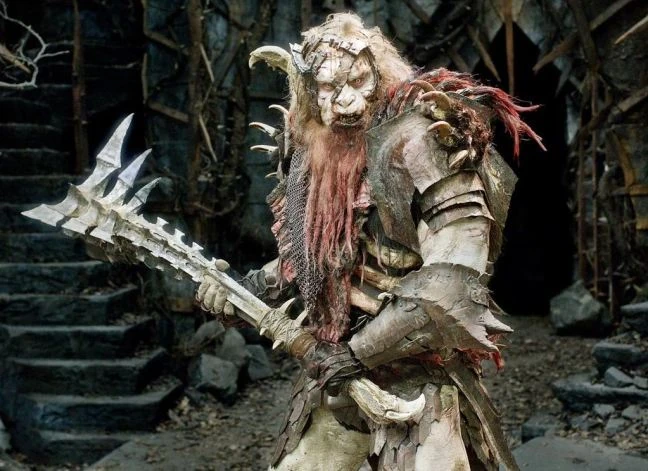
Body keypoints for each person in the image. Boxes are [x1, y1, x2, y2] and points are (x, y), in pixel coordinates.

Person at [197, 13, 543, 471]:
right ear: (309, 93)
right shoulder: (312, 154)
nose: (346, 100)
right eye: (327, 88)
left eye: (358, 81)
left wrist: (357, 353)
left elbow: (453, 282)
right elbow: (309, 260)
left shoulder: (423, 142)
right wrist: (246, 291)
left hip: (419, 375)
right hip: (335, 378)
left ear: (379, 76)